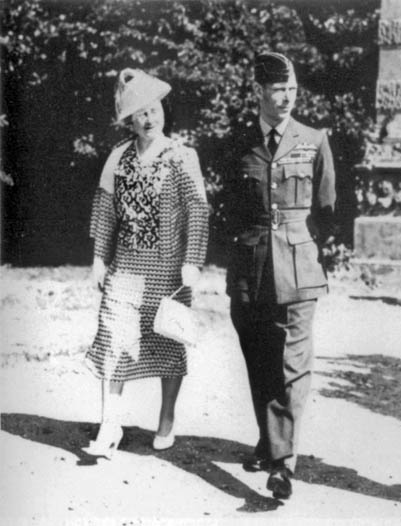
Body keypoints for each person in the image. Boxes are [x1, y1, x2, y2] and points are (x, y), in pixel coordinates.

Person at [223, 52, 336, 500]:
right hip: (250, 266)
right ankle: (271, 439)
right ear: (259, 92)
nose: (287, 97)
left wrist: (305, 250)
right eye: (277, 89)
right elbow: (229, 211)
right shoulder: (237, 142)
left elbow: (328, 210)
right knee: (259, 359)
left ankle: (282, 465)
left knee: (292, 364)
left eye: (292, 89)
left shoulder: (314, 140)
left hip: (299, 268)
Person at [84, 68, 209, 458]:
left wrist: (192, 261)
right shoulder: (118, 158)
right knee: (113, 341)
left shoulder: (182, 156)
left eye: (154, 110)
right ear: (130, 120)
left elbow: (198, 209)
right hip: (126, 265)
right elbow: (105, 209)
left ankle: (167, 417)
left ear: (163, 112)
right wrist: (99, 259)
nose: (149, 118)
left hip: (169, 268)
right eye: (141, 113)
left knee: (168, 342)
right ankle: (110, 427)